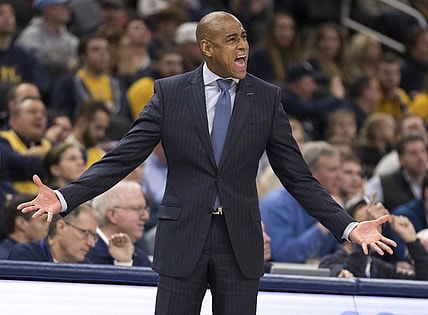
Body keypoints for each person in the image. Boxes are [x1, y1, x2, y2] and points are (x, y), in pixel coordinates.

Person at [18, 11, 395, 315]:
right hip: (183, 238)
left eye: (245, 36)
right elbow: (121, 158)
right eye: (232, 39)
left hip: (239, 242)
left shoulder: (265, 98)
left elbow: (298, 178)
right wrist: (65, 198)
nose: (243, 45)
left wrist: (348, 226)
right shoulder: (169, 93)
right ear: (206, 47)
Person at [260, 141, 342, 263]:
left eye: (339, 168)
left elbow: (339, 253)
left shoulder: (334, 203)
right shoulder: (276, 204)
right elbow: (283, 256)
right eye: (332, 170)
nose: (339, 175)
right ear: (311, 173)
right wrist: (323, 226)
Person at [319, 195, 428, 280]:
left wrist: (412, 241)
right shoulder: (329, 263)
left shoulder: (379, 267)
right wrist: (363, 241)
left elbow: (422, 281)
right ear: (349, 230)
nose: (371, 230)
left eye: (375, 224)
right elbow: (352, 279)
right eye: (364, 224)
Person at [87, 180, 152, 267]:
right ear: (112, 215)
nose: (146, 216)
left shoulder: (140, 257)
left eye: (145, 209)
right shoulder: (85, 252)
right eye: (137, 209)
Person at [8, 203, 97, 263]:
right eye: (86, 233)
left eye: (93, 236)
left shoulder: (86, 266)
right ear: (61, 227)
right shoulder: (26, 255)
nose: (91, 244)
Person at [16, 0, 78, 84]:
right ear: (49, 10)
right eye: (64, 7)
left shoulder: (70, 38)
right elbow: (33, 65)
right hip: (40, 85)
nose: (69, 10)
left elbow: (77, 62)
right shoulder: (31, 35)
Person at [0, 97, 52, 194]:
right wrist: (52, 159)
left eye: (44, 114)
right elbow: (13, 164)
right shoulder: (3, 139)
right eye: (32, 112)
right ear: (14, 119)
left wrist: (49, 153)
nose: (39, 116)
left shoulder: (50, 145)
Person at [0, 193, 49, 259]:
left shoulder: (40, 252)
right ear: (21, 223)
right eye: (44, 221)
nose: (49, 226)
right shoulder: (4, 258)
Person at [64, 100, 110, 169]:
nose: (102, 134)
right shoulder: (61, 152)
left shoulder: (103, 157)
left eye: (104, 129)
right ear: (82, 122)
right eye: (98, 127)